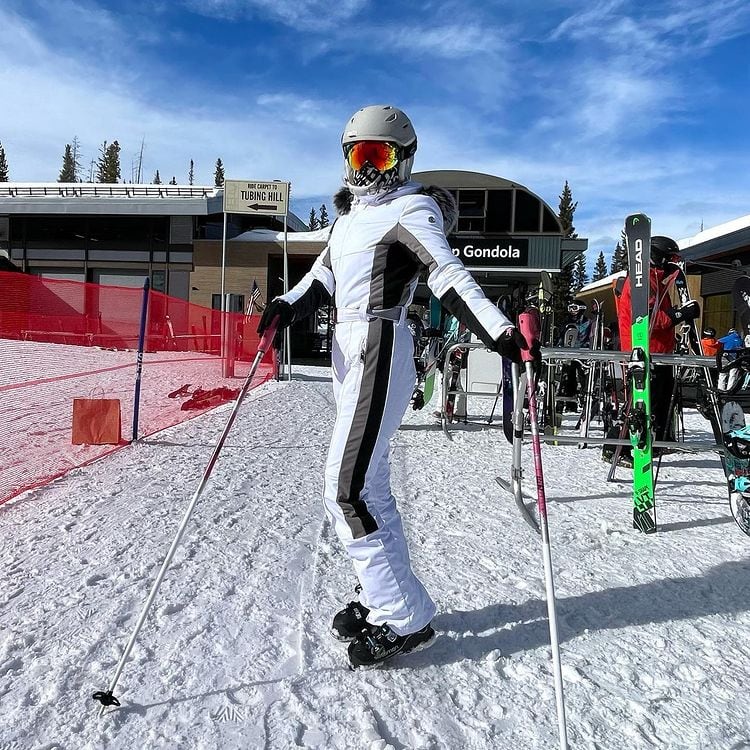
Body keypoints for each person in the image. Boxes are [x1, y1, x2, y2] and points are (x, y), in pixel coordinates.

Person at [257, 104, 528, 669]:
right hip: (347, 348)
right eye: (357, 156)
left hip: (379, 342)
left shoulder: (411, 209)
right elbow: (323, 275)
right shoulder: (350, 218)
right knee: (370, 486)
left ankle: (403, 618)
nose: (366, 171)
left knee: (345, 488)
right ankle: (389, 598)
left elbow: (447, 273)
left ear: (403, 160)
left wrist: (498, 328)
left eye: (378, 156)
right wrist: (288, 304)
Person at [613, 234, 700, 458]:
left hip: (660, 352)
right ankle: (619, 449)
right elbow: (650, 320)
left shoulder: (654, 279)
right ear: (657, 257)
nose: (673, 262)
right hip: (645, 350)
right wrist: (681, 314)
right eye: (669, 258)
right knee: (642, 404)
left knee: (660, 402)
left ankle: (655, 442)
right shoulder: (641, 281)